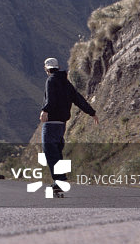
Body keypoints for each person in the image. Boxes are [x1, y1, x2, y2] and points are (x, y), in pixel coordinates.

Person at [39, 56, 98, 194]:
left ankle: (59, 182)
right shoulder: (66, 83)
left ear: (46, 69)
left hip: (51, 123)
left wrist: (44, 110)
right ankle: (60, 181)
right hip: (62, 125)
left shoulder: (50, 80)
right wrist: (91, 112)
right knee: (57, 151)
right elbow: (78, 99)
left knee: (50, 151)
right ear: (58, 68)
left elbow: (51, 100)